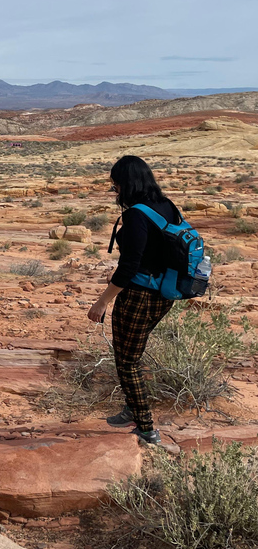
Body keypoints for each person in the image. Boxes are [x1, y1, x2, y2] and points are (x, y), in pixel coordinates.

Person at [87, 155, 181, 445]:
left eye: (115, 187)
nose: (115, 193)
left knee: (127, 361)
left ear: (126, 184)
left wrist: (102, 301)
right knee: (132, 356)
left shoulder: (137, 215)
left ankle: (146, 427)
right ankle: (132, 407)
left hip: (140, 296)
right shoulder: (167, 205)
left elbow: (129, 266)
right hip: (165, 294)